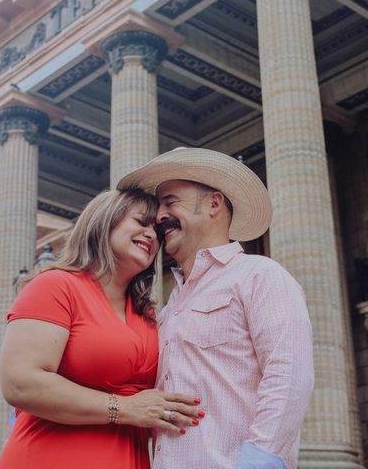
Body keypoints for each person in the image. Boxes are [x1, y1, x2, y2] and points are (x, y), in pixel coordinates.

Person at [118, 148, 315, 469]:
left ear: (214, 204)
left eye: (171, 201)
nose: (159, 216)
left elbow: (290, 375)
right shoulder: (169, 311)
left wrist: (257, 463)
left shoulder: (261, 275)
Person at [0, 188, 203, 469]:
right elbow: (20, 384)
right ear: (105, 220)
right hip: (51, 457)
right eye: (141, 222)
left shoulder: (147, 314)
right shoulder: (56, 285)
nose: (152, 235)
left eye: (156, 229)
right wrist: (126, 408)